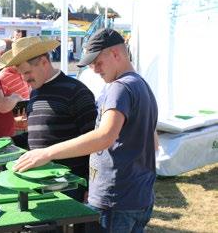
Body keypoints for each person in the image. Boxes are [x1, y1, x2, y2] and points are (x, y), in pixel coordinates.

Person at [13, 29, 159, 233]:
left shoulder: (119, 88)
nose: (95, 70)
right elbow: (154, 142)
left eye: (98, 63)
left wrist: (47, 153)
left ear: (116, 54)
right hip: (138, 196)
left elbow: (104, 136)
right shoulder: (142, 85)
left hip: (114, 200)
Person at [0, 36, 97, 203]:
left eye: (27, 72)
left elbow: (95, 142)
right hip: (37, 181)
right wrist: (7, 142)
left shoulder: (77, 91)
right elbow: (39, 138)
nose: (25, 79)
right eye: (21, 74)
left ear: (44, 62)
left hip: (69, 185)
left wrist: (90, 185)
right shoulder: (35, 92)